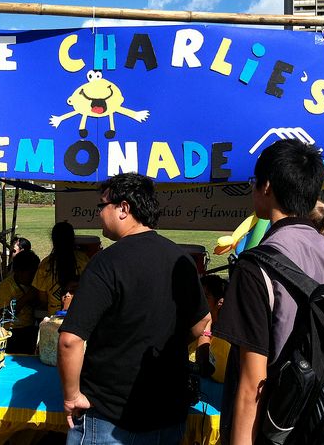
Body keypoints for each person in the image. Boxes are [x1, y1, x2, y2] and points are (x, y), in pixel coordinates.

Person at [58, 172, 211, 445]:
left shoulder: (106, 263)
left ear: (123, 208)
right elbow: (201, 324)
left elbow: (70, 340)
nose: (98, 214)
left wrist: (71, 396)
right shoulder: (182, 260)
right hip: (167, 411)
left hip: (108, 414)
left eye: (101, 205)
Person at [213, 139, 324, 445]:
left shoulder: (255, 266)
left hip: (278, 427)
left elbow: (251, 384)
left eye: (254, 182)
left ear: (267, 186)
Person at [33, 222, 89, 316]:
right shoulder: (84, 259)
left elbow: (42, 297)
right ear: (73, 239)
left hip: (55, 318)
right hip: (79, 315)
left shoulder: (46, 265)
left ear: (53, 240)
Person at [0, 250, 41, 354]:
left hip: (29, 329)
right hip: (11, 333)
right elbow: (5, 315)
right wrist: (27, 297)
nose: (34, 277)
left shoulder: (32, 285)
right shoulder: (6, 287)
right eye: (31, 274)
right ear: (18, 271)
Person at [189, 274, 230, 383]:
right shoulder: (193, 323)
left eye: (205, 297)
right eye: (198, 295)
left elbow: (204, 366)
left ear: (219, 302)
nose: (199, 301)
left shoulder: (224, 339)